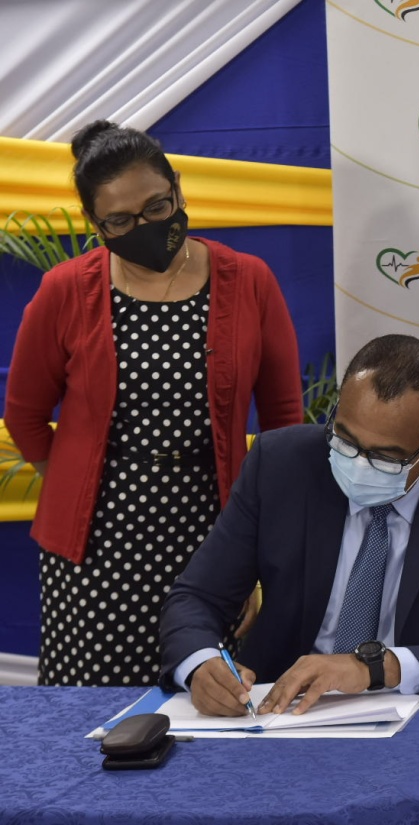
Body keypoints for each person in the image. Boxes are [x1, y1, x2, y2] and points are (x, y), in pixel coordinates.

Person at [4, 120, 302, 687]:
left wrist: (263, 561)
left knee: (213, 709)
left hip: (216, 541)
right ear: (97, 224)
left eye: (157, 206)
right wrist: (72, 483)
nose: (144, 226)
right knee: (95, 719)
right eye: (120, 220)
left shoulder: (250, 281)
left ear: (179, 190)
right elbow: (23, 413)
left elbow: (286, 427)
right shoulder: (66, 290)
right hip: (96, 551)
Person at [159, 335, 419, 716]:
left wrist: (378, 667)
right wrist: (200, 665)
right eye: (345, 440)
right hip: (279, 711)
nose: (358, 464)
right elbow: (197, 597)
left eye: (385, 457)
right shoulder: (280, 465)